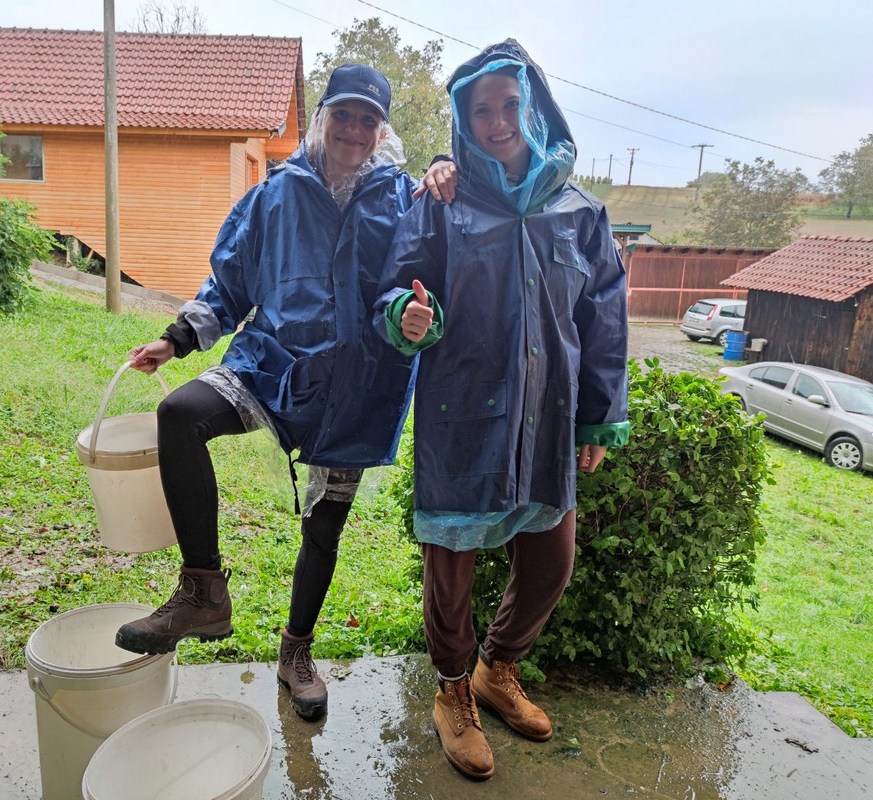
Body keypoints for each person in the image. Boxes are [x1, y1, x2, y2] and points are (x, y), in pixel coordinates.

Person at [114, 63, 456, 722]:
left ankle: (295, 651)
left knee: (323, 525)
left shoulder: (401, 198)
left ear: (380, 129)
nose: (354, 129)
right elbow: (229, 284)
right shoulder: (273, 196)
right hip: (268, 363)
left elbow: (412, 280)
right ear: (324, 117)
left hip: (359, 384)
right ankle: (202, 589)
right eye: (343, 115)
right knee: (180, 414)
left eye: (367, 119)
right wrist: (176, 340)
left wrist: (411, 317)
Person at [374, 39, 631, 780]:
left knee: (551, 560)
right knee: (449, 571)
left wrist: (597, 415)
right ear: (463, 119)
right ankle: (452, 692)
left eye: (509, 105)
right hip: (463, 415)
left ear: (534, 108)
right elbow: (397, 285)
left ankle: (496, 669)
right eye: (481, 110)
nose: (496, 122)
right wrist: (405, 316)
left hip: (547, 416)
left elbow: (604, 318)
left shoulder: (578, 211)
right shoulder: (445, 203)